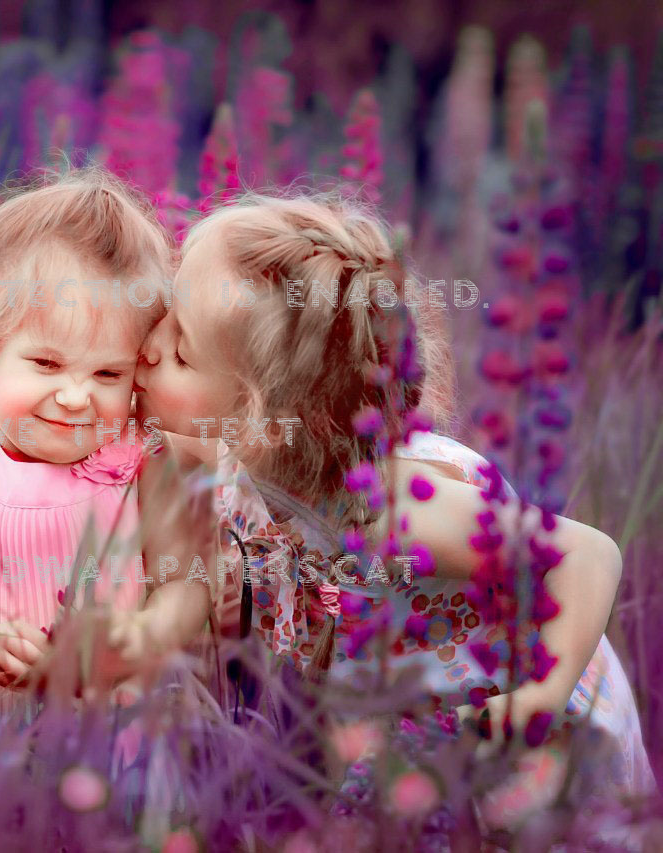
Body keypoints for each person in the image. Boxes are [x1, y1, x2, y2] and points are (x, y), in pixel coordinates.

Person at [133, 191, 654, 823]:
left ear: (260, 422)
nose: (149, 344)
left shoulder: (389, 503)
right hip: (420, 726)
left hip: (524, 723)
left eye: (182, 350)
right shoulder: (262, 462)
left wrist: (534, 703)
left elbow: (588, 554)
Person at [0, 167, 214, 695]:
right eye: (47, 364)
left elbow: (184, 586)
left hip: (102, 731)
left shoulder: (142, 452)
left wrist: (135, 637)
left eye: (108, 374)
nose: (76, 397)